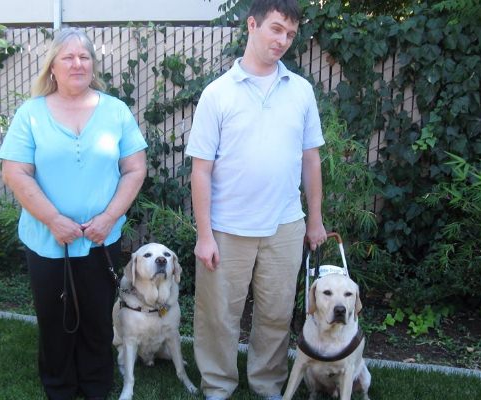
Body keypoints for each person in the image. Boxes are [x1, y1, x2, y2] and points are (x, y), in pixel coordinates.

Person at [185, 1, 328, 399]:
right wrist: (204, 234)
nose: (283, 40)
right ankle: (217, 386)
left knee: (276, 314)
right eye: (276, 29)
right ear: (252, 24)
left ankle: (267, 385)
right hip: (227, 227)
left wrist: (314, 220)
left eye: (290, 34)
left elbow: (311, 158)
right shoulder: (217, 93)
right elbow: (201, 170)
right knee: (218, 316)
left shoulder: (300, 90)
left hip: (284, 224)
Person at [0, 28, 147, 400]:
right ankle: (60, 388)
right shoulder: (30, 114)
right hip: (47, 242)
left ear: (93, 65)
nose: (77, 63)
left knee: (98, 320)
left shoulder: (115, 111)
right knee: (55, 321)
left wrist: (110, 217)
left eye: (84, 57)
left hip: (101, 239)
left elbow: (135, 168)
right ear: (53, 67)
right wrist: (52, 219)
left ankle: (96, 387)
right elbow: (15, 171)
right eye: (68, 57)